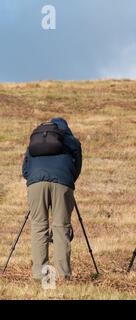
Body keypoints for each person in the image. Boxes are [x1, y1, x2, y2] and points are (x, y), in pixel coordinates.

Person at [22, 118, 82, 281]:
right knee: (61, 228)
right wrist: (68, 181)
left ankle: (39, 275)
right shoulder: (70, 140)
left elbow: (25, 168)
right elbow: (77, 167)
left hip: (35, 184)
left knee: (38, 226)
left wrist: (33, 180)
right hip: (63, 183)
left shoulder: (36, 139)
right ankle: (63, 275)